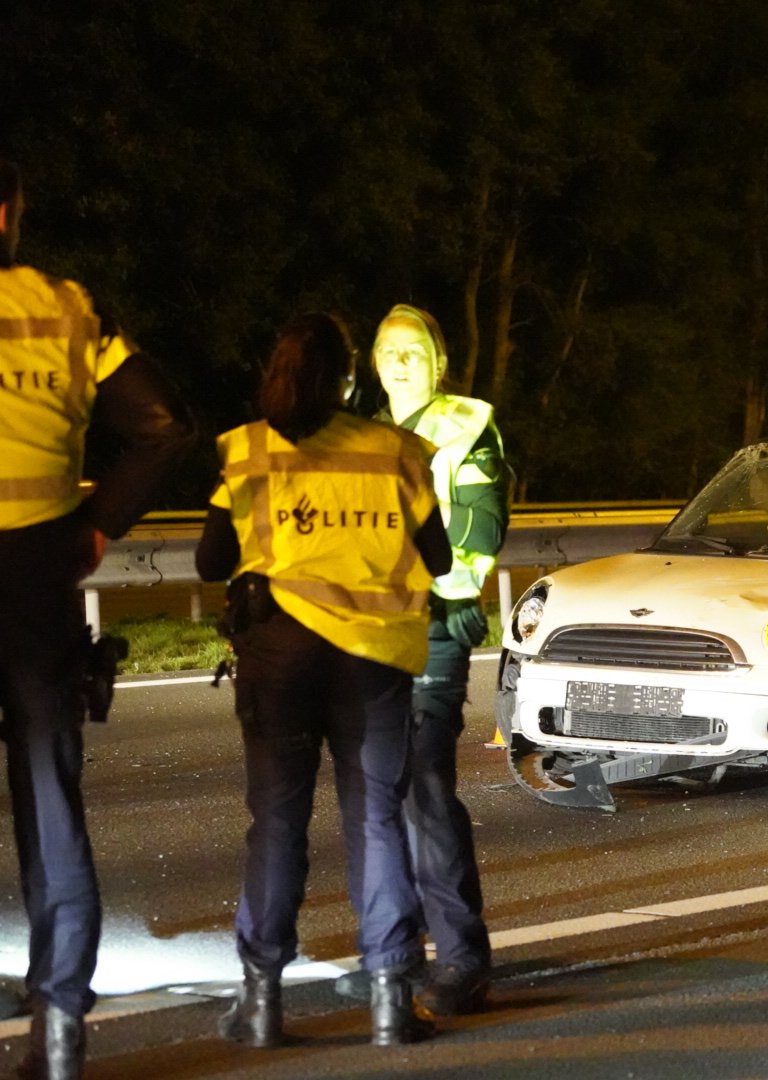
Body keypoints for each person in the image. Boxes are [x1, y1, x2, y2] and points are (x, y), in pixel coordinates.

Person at [196, 312, 451, 1048]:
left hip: (279, 658)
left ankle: (262, 1005)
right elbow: (435, 556)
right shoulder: (395, 451)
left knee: (277, 823)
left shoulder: (246, 450)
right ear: (348, 378)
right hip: (371, 661)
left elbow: (213, 561)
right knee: (375, 819)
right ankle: (390, 1004)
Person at [0, 157, 196, 1079]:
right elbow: (164, 425)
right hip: (40, 571)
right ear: (9, 214)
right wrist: (94, 528)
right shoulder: (71, 310)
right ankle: (63, 1021)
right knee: (49, 797)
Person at [333, 303, 506, 1015]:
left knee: (426, 786)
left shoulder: (467, 426)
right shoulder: (357, 435)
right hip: (368, 633)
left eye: (415, 350)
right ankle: (395, 954)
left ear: (439, 363)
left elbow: (479, 529)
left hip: (433, 625)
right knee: (376, 797)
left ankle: (462, 958)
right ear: (373, 364)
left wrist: (428, 583)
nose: (401, 361)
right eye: (388, 350)